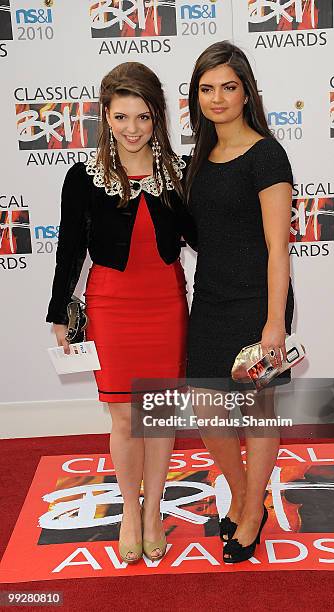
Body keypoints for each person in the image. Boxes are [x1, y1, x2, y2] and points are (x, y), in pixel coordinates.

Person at [46, 62, 196, 564]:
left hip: (167, 308)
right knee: (126, 420)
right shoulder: (83, 178)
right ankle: (128, 511)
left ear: (158, 119)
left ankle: (153, 510)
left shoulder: (179, 175)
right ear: (105, 118)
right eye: (121, 117)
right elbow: (69, 252)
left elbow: (206, 242)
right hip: (111, 310)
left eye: (144, 117)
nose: (132, 129)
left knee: (158, 420)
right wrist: (58, 313)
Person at [185, 41, 294, 563]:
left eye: (229, 86)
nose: (217, 97)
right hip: (208, 300)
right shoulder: (197, 159)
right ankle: (249, 495)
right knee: (210, 412)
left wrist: (274, 323)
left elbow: (279, 245)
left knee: (257, 413)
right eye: (207, 88)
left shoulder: (267, 154)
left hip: (257, 303)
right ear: (196, 95)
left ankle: (250, 514)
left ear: (247, 92)